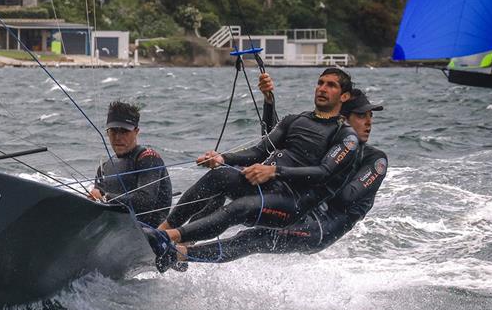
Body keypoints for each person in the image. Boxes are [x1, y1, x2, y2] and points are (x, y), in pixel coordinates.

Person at [145, 68, 359, 271]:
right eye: (320, 83)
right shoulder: (295, 120)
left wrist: (275, 171)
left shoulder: (345, 136)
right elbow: (259, 151)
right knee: (219, 176)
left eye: (331, 85)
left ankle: (169, 240)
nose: (322, 88)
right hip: (267, 186)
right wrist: (222, 158)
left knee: (241, 207)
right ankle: (162, 231)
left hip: (293, 203)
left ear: (344, 97)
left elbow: (324, 172)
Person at [176, 86, 388, 264]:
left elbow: (345, 198)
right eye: (361, 116)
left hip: (320, 226)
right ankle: (181, 238)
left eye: (370, 117)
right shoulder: (328, 143)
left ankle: (180, 256)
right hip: (298, 205)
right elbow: (274, 146)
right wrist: (269, 102)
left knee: (253, 238)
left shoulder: (375, 160)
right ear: (343, 119)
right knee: (227, 180)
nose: (369, 122)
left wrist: (324, 170)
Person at [89, 101, 172, 228]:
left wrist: (106, 197)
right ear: (107, 132)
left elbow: (145, 201)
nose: (118, 137)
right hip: (117, 232)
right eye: (113, 131)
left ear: (136, 131)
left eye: (124, 131)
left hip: (152, 235)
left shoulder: (148, 158)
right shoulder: (104, 168)